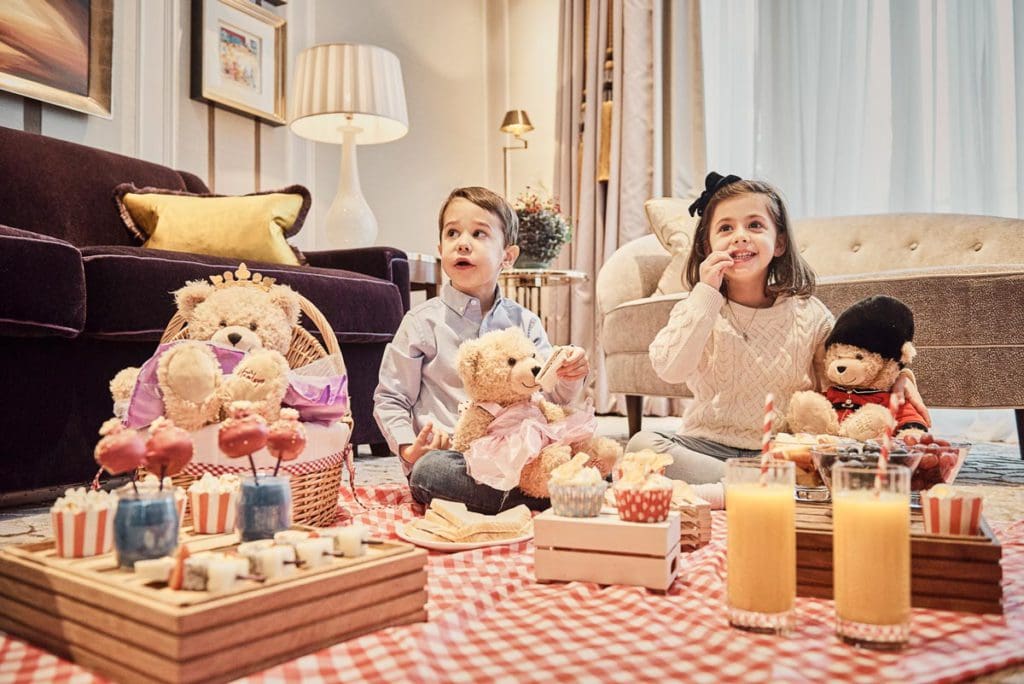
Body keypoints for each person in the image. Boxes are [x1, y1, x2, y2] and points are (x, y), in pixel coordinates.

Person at [626, 172, 929, 486]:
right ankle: (763, 486)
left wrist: (902, 376)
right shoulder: (698, 307)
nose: (740, 236)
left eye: (755, 225)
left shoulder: (808, 313)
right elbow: (669, 368)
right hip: (707, 446)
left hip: (786, 449)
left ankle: (734, 488)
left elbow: (845, 368)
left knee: (857, 457)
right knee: (642, 447)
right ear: (707, 245)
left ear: (780, 242)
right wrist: (705, 294)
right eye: (726, 228)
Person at [373, 186, 591, 513]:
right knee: (430, 474)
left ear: (507, 256)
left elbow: (551, 396)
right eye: (452, 233)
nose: (462, 242)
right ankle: (550, 496)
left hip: (521, 455)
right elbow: (390, 397)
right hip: (456, 459)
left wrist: (570, 374)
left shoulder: (525, 323)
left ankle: (537, 490)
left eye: (478, 233)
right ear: (440, 249)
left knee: (583, 451)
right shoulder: (421, 323)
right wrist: (409, 448)